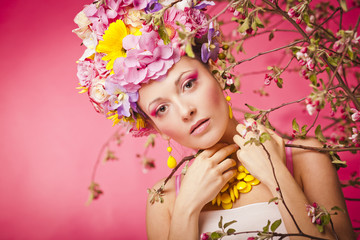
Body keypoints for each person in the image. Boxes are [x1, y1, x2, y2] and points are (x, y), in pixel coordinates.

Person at [73, 0, 355, 239]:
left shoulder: (307, 158)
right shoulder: (164, 198)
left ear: (216, 73)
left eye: (188, 84)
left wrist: (276, 175)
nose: (185, 111)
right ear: (153, 126)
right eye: (161, 109)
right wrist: (187, 208)